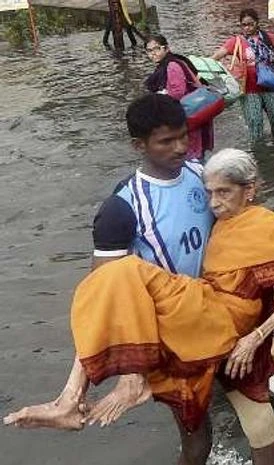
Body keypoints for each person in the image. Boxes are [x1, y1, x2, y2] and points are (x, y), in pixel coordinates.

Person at [4, 149, 274, 465]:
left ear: (250, 190)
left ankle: (105, 389)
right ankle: (73, 397)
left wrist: (254, 338)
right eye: (209, 193)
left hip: (226, 321)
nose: (214, 203)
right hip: (206, 313)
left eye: (224, 192)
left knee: (124, 271)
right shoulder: (222, 220)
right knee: (113, 284)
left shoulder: (262, 224)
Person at [1, 94, 217, 464]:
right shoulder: (122, 208)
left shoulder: (204, 175)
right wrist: (82, 385)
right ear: (139, 146)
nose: (180, 147)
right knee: (197, 434)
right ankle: (71, 400)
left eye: (183, 135)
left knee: (227, 415)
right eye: (166, 141)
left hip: (209, 309)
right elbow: (102, 297)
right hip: (169, 330)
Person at [212, 8, 274, 145]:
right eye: (244, 25)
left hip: (270, 86)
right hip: (249, 89)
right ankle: (259, 152)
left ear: (257, 23)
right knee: (255, 124)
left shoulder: (267, 37)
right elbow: (216, 56)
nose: (247, 28)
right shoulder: (236, 41)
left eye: (250, 24)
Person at [145, 35, 215, 162]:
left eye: (156, 49)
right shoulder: (172, 62)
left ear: (166, 49)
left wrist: (159, 98)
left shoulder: (172, 66)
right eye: (149, 51)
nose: (153, 53)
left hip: (186, 116)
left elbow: (177, 93)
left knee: (191, 154)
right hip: (191, 114)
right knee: (194, 153)